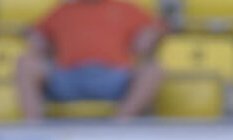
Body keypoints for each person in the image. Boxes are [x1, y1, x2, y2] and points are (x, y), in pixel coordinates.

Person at [15, 0, 165, 122]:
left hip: (114, 79)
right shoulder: (62, 10)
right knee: (25, 64)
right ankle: (35, 128)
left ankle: (121, 123)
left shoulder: (126, 8)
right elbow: (38, 41)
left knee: (152, 70)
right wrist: (34, 37)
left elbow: (150, 36)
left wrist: (151, 35)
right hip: (67, 77)